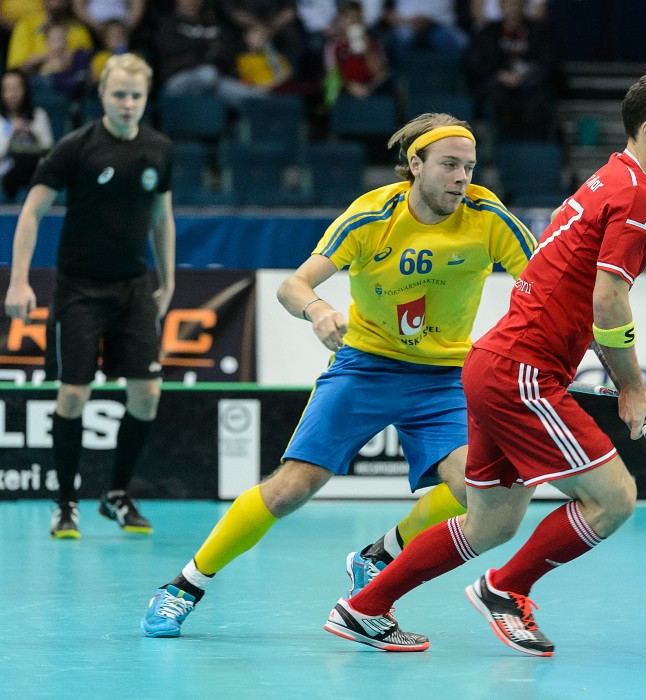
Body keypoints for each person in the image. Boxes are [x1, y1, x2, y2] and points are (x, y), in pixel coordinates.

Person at [322, 65, 646, 656]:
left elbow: (587, 298)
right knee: (614, 498)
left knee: (492, 522)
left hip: (495, 364)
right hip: (521, 371)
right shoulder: (640, 197)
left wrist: (597, 368)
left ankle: (363, 607)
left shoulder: (608, 177)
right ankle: (505, 589)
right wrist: (631, 387)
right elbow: (609, 299)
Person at [139, 111, 537, 638]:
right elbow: (294, 285)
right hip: (366, 366)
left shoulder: (487, 215)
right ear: (415, 165)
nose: (462, 177)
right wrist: (319, 311)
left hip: (444, 377)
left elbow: (542, 289)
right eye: (449, 165)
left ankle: (379, 556)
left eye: (469, 166)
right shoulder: (372, 216)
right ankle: (184, 586)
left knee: (474, 488)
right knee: (291, 489)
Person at [2, 53, 175, 539]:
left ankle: (117, 494)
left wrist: (169, 281)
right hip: (79, 288)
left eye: (135, 96)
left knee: (147, 396)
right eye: (118, 94)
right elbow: (31, 214)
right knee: (73, 395)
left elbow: (162, 219)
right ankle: (65, 501)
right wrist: (19, 281)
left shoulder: (160, 149)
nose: (127, 104)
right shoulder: (74, 148)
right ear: (102, 94)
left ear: (145, 99)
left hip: (134, 286)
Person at [466, 0, 560, 141]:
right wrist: (499, 75)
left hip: (531, 85)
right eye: (509, 4)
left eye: (517, 4)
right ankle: (496, 146)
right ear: (501, 7)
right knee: (495, 98)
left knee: (543, 98)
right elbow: (475, 63)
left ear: (524, 6)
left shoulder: (538, 31)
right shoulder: (490, 32)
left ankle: (536, 145)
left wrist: (526, 75)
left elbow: (549, 62)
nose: (513, 9)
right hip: (499, 85)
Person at [0, 67, 53, 199]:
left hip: (35, 170)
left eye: (16, 88)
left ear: (25, 90)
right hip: (6, 173)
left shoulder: (38, 115)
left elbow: (50, 150)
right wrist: (12, 134)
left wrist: (33, 134)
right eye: (7, 89)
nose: (12, 94)